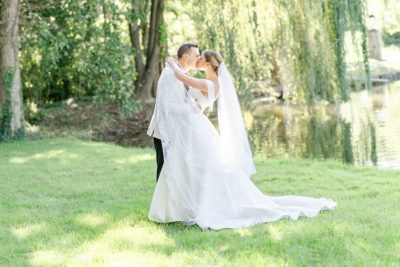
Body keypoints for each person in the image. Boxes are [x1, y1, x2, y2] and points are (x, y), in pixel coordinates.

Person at [148, 49, 336, 230]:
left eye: (200, 59)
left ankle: (203, 205)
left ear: (207, 64)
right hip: (196, 127)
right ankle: (188, 204)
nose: (196, 61)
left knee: (202, 167)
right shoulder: (209, 81)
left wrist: (172, 63)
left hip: (198, 128)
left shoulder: (211, 84)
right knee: (195, 167)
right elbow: (192, 99)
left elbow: (182, 78)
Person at [147, 42, 200, 182]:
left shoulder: (180, 73)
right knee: (164, 171)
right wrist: (191, 108)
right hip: (164, 131)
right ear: (186, 56)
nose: (199, 58)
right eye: (196, 55)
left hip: (177, 130)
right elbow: (166, 106)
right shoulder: (170, 75)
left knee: (176, 172)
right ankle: (161, 204)